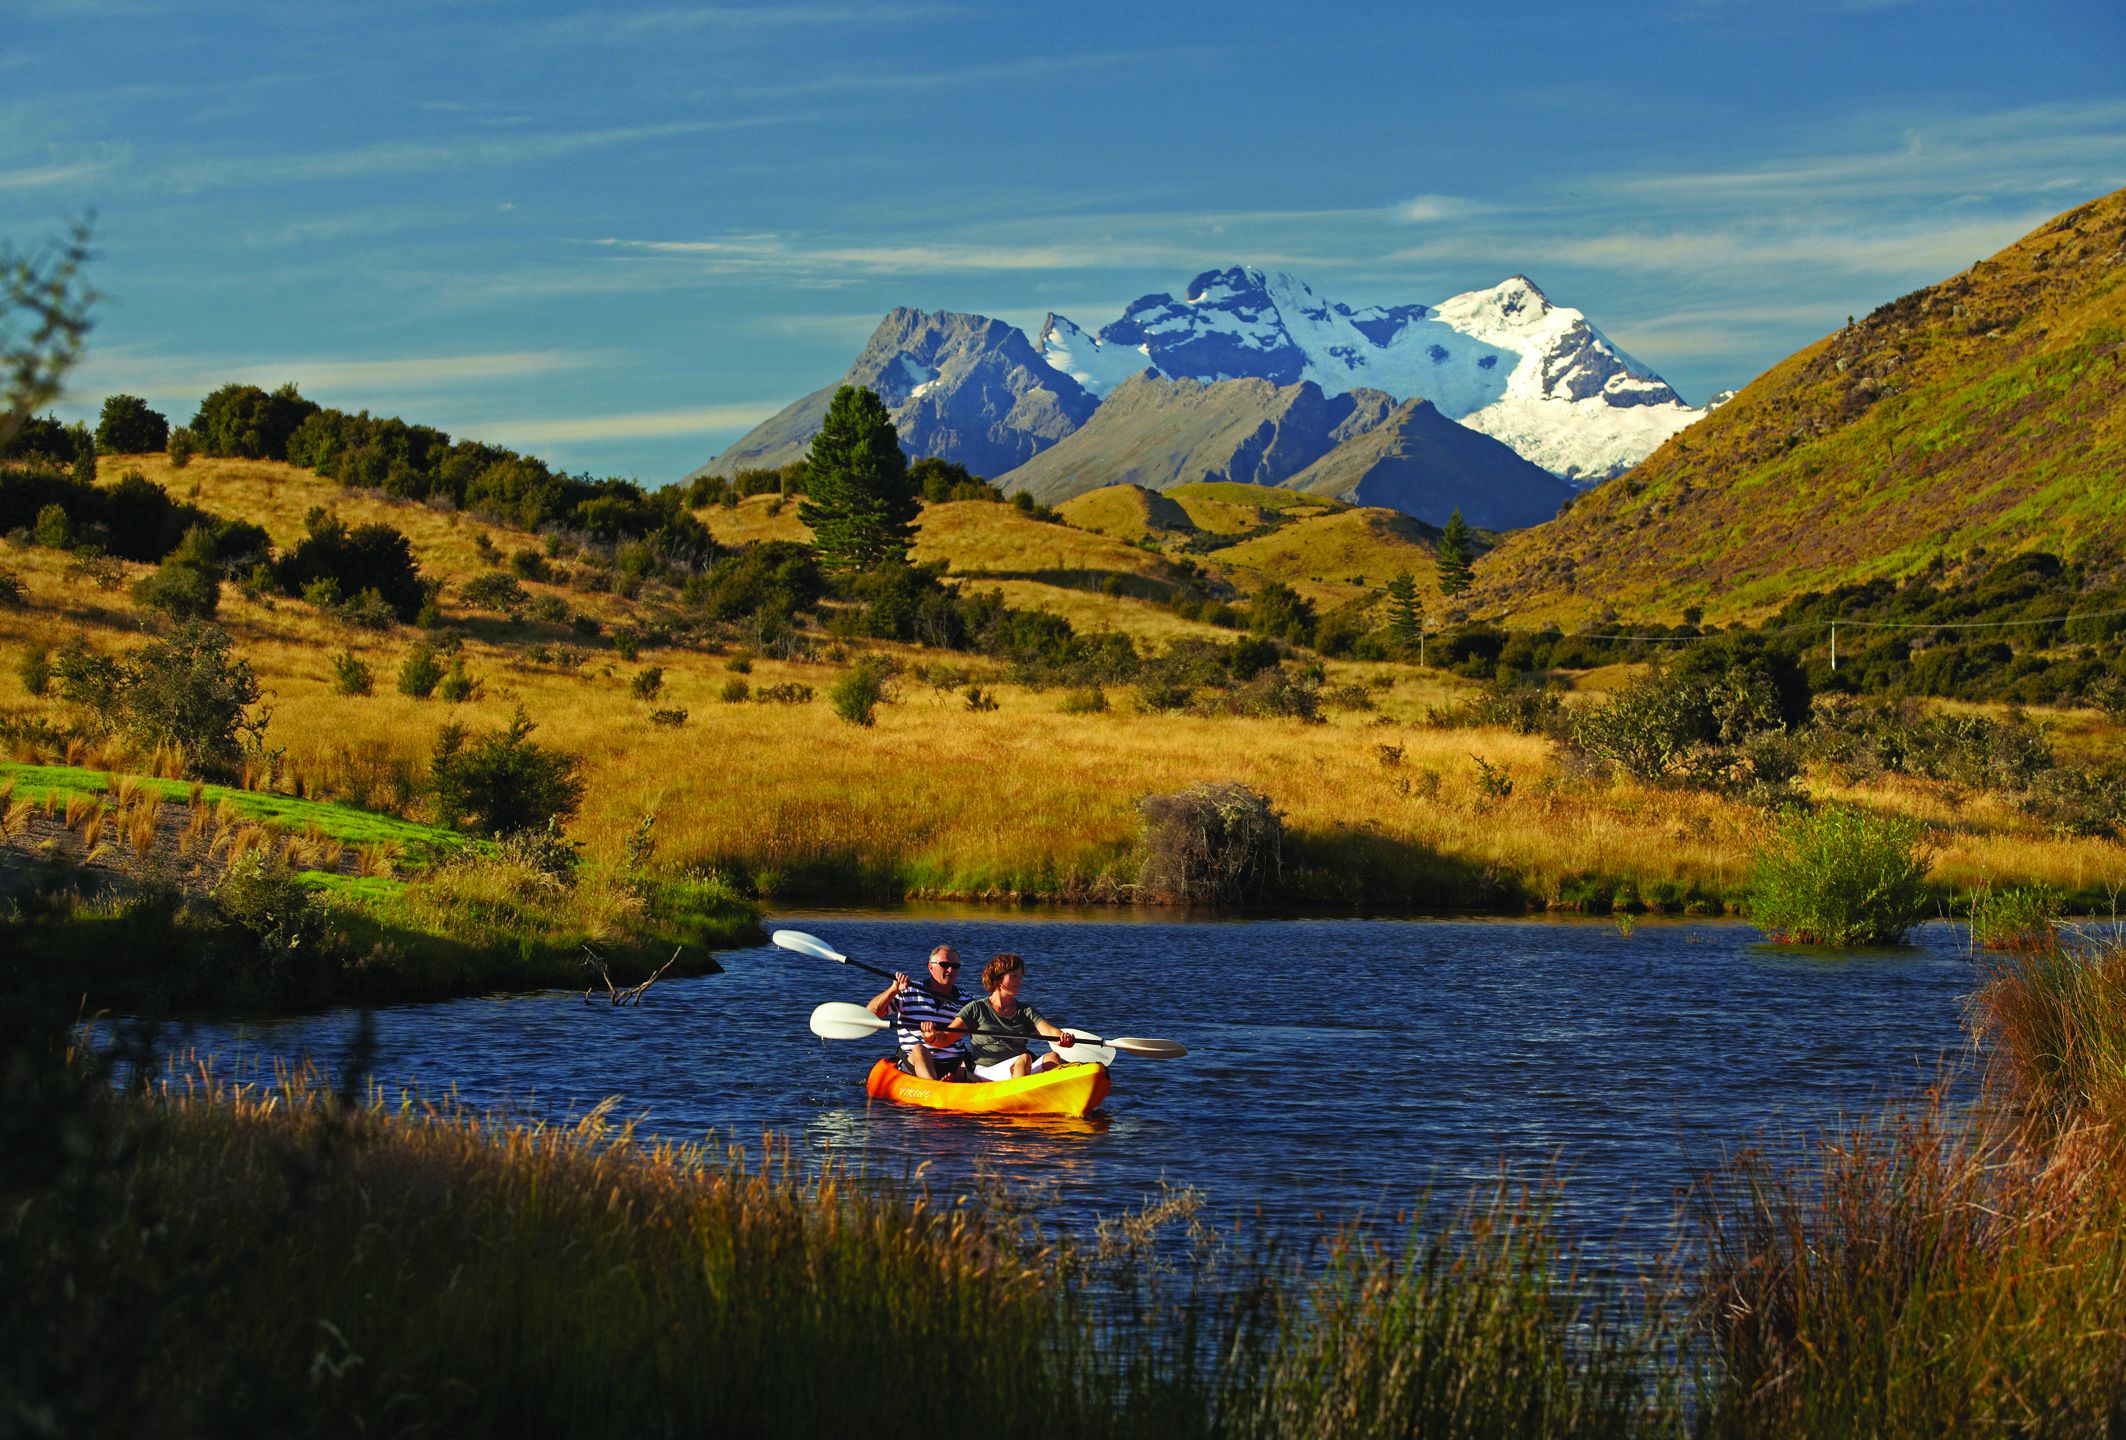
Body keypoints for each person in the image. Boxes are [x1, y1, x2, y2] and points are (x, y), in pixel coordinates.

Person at [936, 952, 1078, 1082]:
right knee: (1024, 1058)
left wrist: (1062, 1038)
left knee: (1052, 1057)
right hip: (986, 1072)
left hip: (1020, 1068)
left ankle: (1050, 1093)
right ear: (998, 978)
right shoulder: (976, 1009)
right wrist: (931, 1036)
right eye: (1014, 976)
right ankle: (1020, 1095)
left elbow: (1050, 1031)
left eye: (1020, 977)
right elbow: (946, 1038)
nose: (1019, 982)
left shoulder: (1026, 1011)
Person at [867, 944, 971, 1080]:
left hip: (953, 1063)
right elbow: (872, 1014)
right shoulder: (909, 991)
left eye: (955, 966)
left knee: (969, 1058)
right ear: (930, 967)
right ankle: (934, 1085)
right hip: (917, 1061)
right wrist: (893, 990)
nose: (950, 970)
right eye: (944, 965)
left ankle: (955, 1081)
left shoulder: (967, 1000)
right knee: (919, 1049)